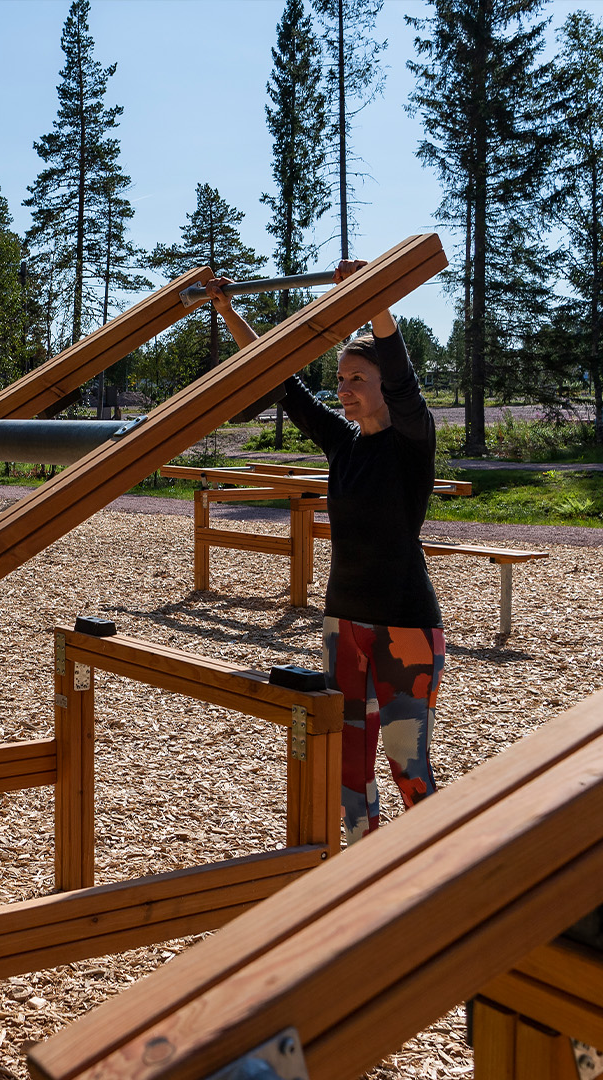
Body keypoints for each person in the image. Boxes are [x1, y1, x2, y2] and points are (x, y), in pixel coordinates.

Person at [204, 261, 445, 845]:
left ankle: (441, 867)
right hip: (344, 623)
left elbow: (404, 374)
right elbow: (283, 381)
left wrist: (372, 297)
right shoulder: (344, 445)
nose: (342, 389)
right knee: (349, 761)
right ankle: (362, 865)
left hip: (406, 627)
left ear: (383, 385)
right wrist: (229, 312)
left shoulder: (412, 442)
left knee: (407, 765)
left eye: (355, 378)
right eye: (339, 379)